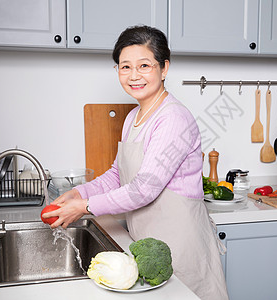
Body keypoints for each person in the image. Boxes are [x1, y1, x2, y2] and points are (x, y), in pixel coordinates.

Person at [42, 25, 228, 300]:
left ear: (164, 68)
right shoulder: (134, 118)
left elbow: (143, 189)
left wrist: (85, 207)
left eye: (144, 65)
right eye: (125, 66)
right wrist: (79, 192)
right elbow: (118, 175)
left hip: (181, 245)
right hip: (148, 241)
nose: (133, 75)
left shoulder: (173, 118)